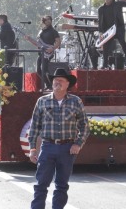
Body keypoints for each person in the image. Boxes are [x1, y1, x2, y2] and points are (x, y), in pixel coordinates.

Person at [28, 68, 90, 209]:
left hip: (67, 149)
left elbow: (85, 126)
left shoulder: (76, 102)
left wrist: (78, 144)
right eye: (55, 80)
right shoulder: (42, 101)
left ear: (68, 84)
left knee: (61, 186)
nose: (57, 83)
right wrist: (32, 148)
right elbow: (34, 127)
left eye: (61, 80)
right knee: (41, 184)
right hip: (47, 147)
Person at [98, 0, 126, 69]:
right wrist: (100, 32)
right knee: (106, 46)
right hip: (108, 31)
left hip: (119, 28)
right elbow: (100, 22)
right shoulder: (101, 9)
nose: (107, 0)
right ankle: (105, 65)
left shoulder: (117, 4)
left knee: (124, 44)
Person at [35, 15, 61, 90]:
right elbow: (37, 42)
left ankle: (49, 85)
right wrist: (28, 39)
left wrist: (52, 48)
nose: (49, 21)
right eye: (47, 20)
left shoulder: (53, 31)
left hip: (48, 53)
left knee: (44, 69)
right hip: (41, 52)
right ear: (44, 21)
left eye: (50, 19)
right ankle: (48, 84)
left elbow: (58, 42)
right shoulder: (41, 31)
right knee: (38, 70)